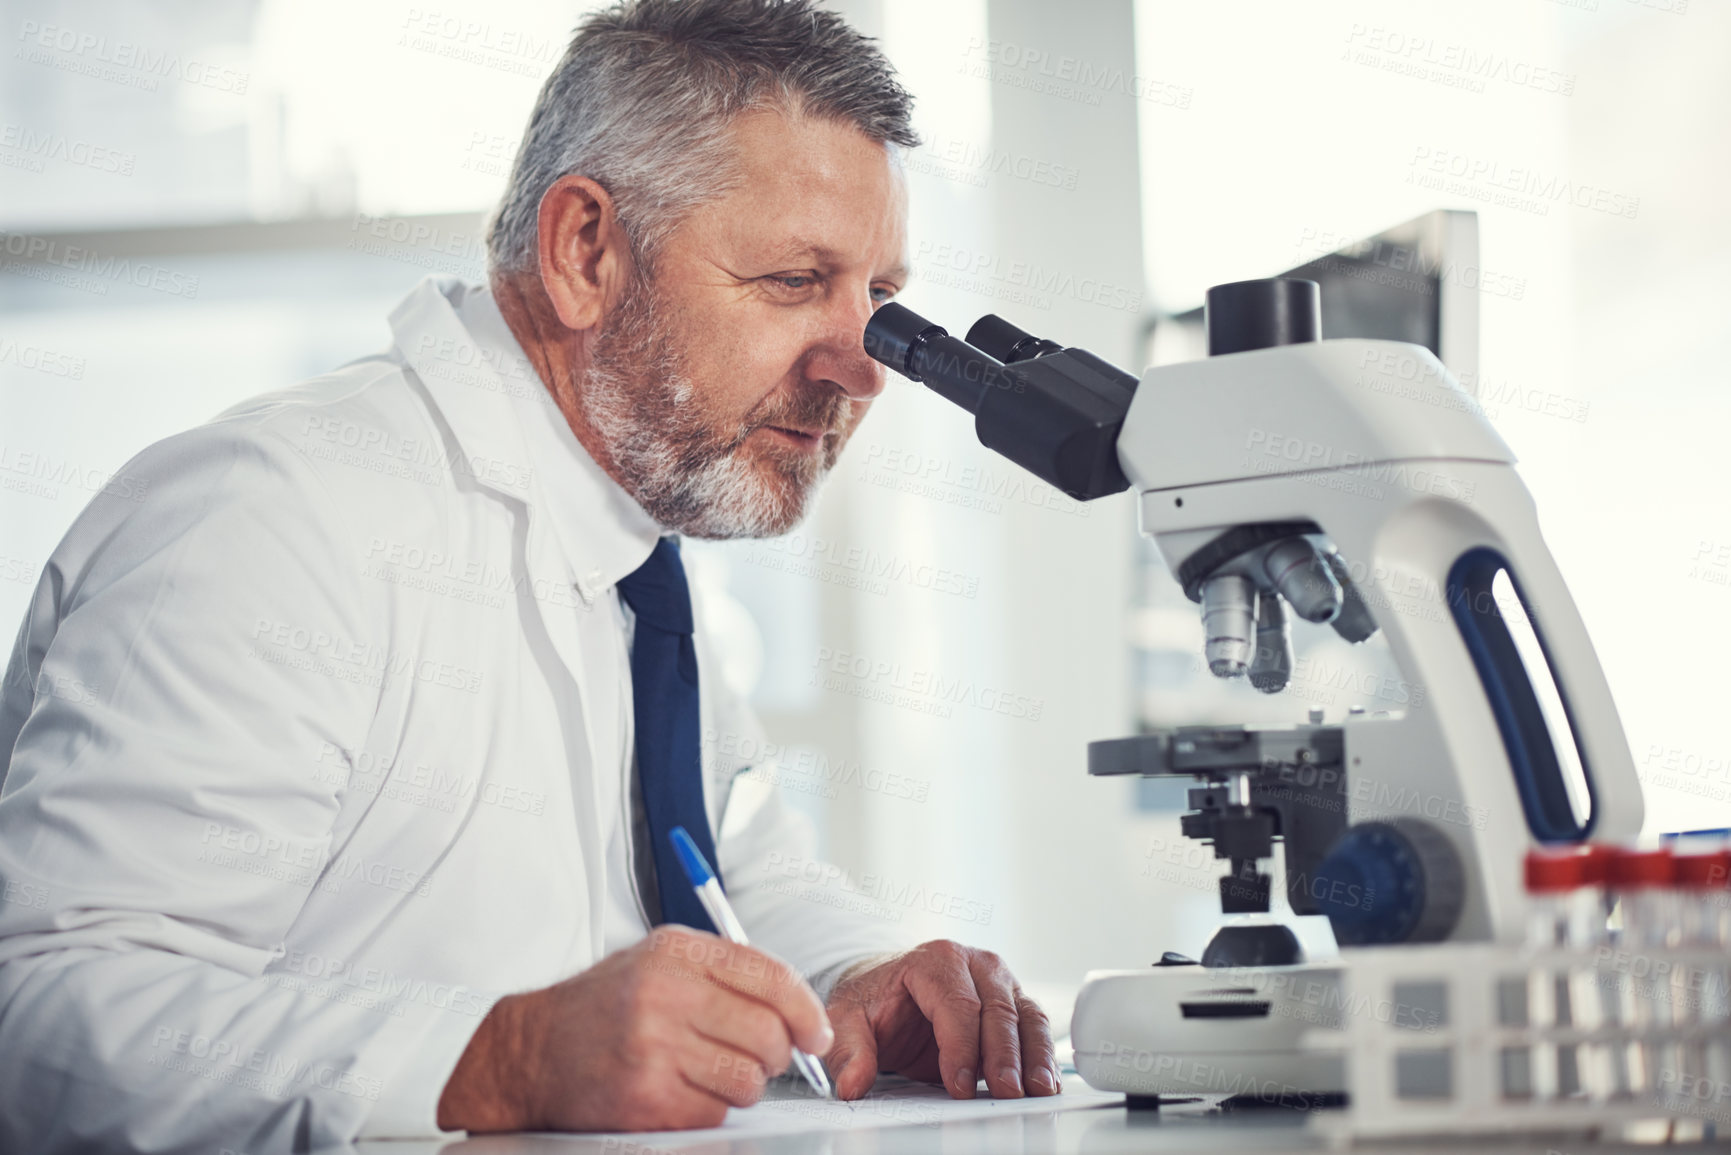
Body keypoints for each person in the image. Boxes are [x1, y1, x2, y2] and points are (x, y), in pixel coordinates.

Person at [0, 1, 1057, 1148]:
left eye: (880, 299)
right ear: (585, 251)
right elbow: (48, 1015)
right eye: (797, 279)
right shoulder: (272, 516)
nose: (862, 370)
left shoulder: (633, 555)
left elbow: (728, 874)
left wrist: (860, 972)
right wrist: (502, 1058)